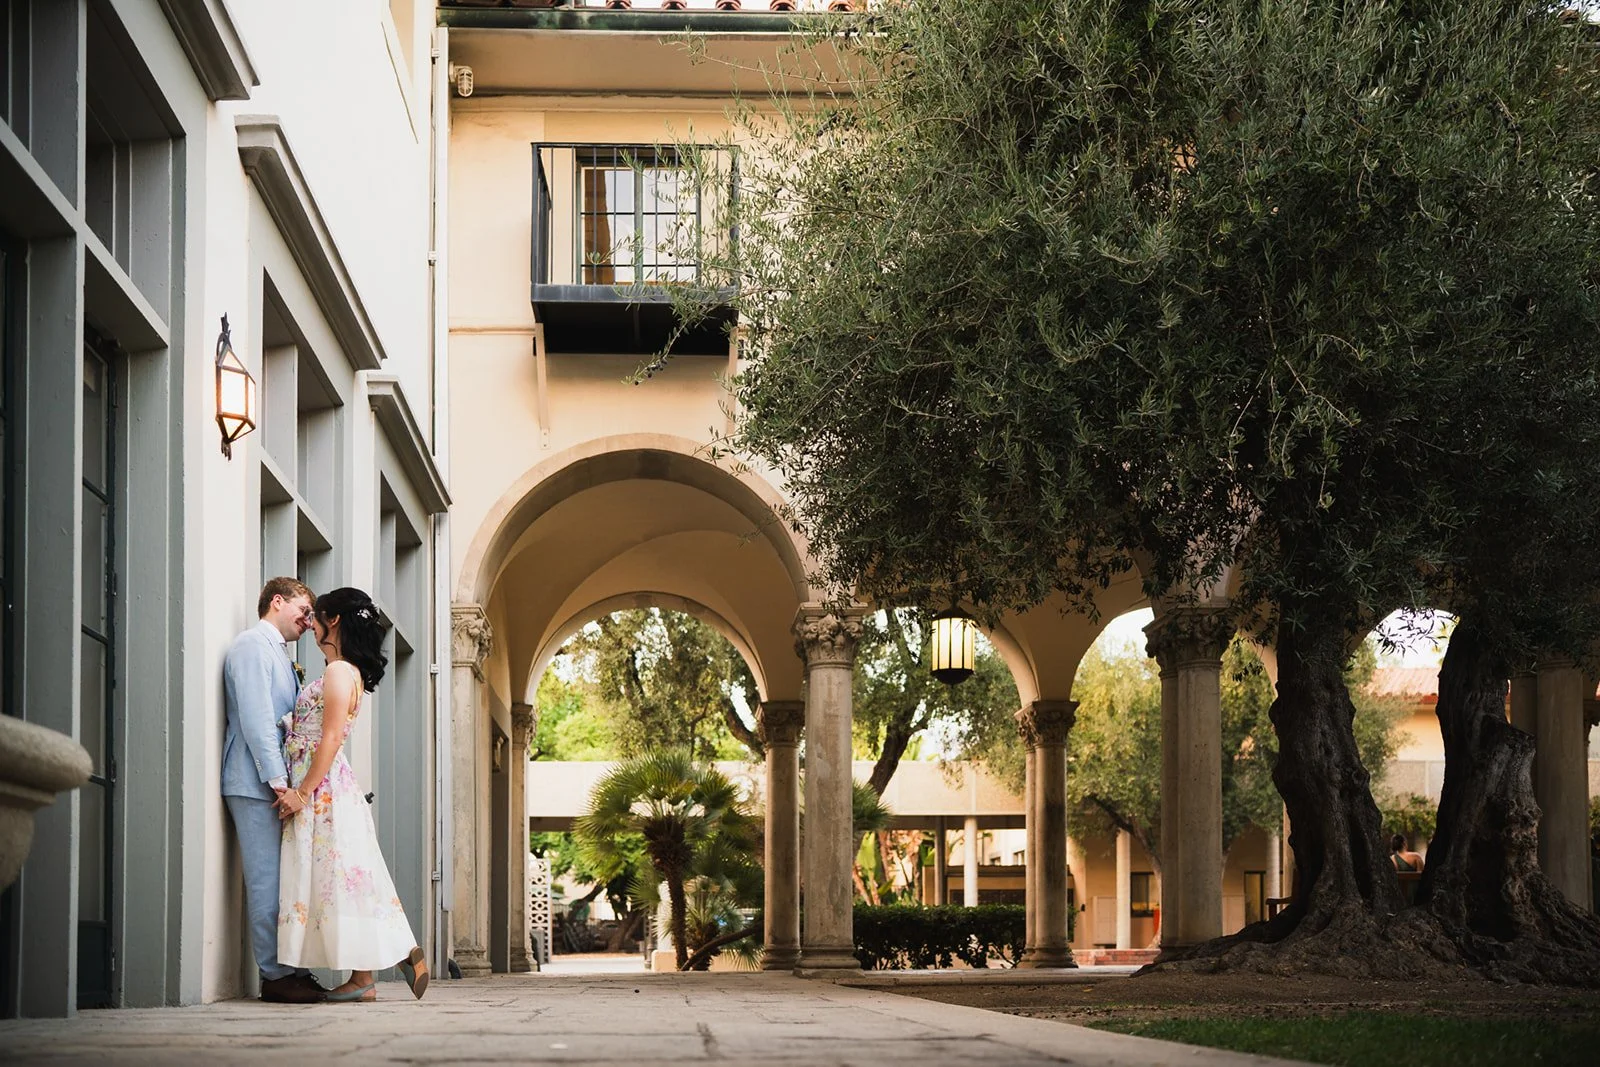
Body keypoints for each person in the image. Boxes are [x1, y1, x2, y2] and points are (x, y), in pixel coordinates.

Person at [274, 586, 428, 1003]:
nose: (310, 625)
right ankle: (385, 957)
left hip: (322, 791)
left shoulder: (341, 672)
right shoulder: (340, 670)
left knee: (338, 880)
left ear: (334, 620)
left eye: (316, 616)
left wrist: (302, 794)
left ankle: (369, 973)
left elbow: (331, 738)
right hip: (327, 787)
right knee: (346, 877)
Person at [222, 577, 326, 1004]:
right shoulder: (251, 645)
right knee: (267, 880)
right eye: (303, 610)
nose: (308, 620)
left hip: (276, 785)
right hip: (255, 782)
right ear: (276, 601)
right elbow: (256, 719)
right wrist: (280, 783)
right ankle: (275, 975)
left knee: (287, 881)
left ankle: (293, 967)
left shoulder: (281, 655)